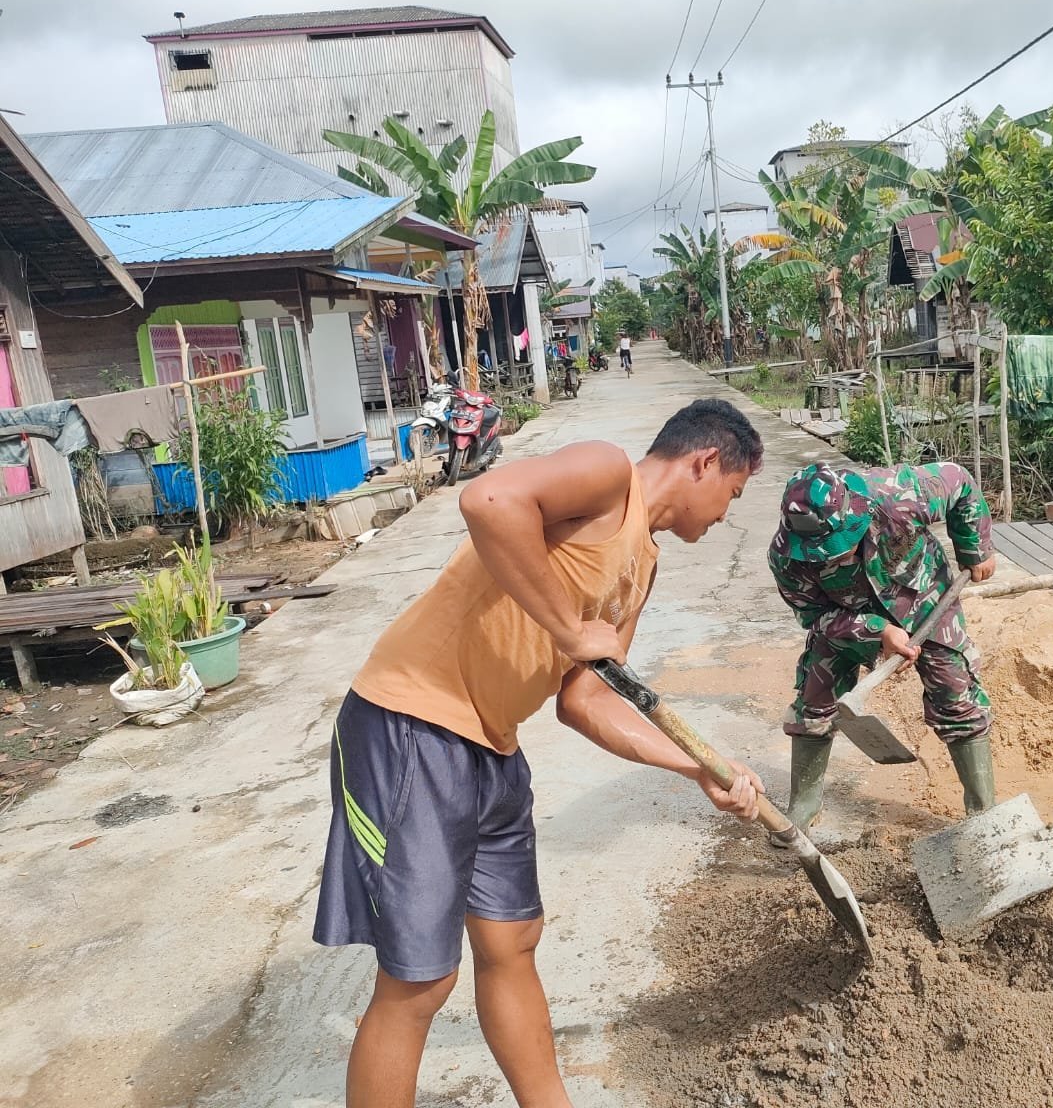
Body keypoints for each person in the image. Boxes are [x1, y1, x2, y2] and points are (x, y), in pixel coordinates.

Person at [314, 398, 767, 1108]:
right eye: (731, 494)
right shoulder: (607, 475)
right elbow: (488, 498)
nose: (724, 515)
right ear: (704, 462)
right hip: (411, 726)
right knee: (419, 980)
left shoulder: (641, 567)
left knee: (513, 940)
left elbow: (583, 700)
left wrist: (697, 767)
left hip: (492, 748)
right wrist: (565, 624)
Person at [768, 461, 999, 836]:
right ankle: (804, 804)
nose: (833, 557)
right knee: (815, 698)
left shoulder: (898, 493)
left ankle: (983, 811)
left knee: (955, 693)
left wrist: (974, 549)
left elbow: (961, 482)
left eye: (840, 545)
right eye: (822, 553)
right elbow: (814, 616)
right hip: (848, 617)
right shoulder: (785, 557)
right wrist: (877, 631)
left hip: (923, 596)